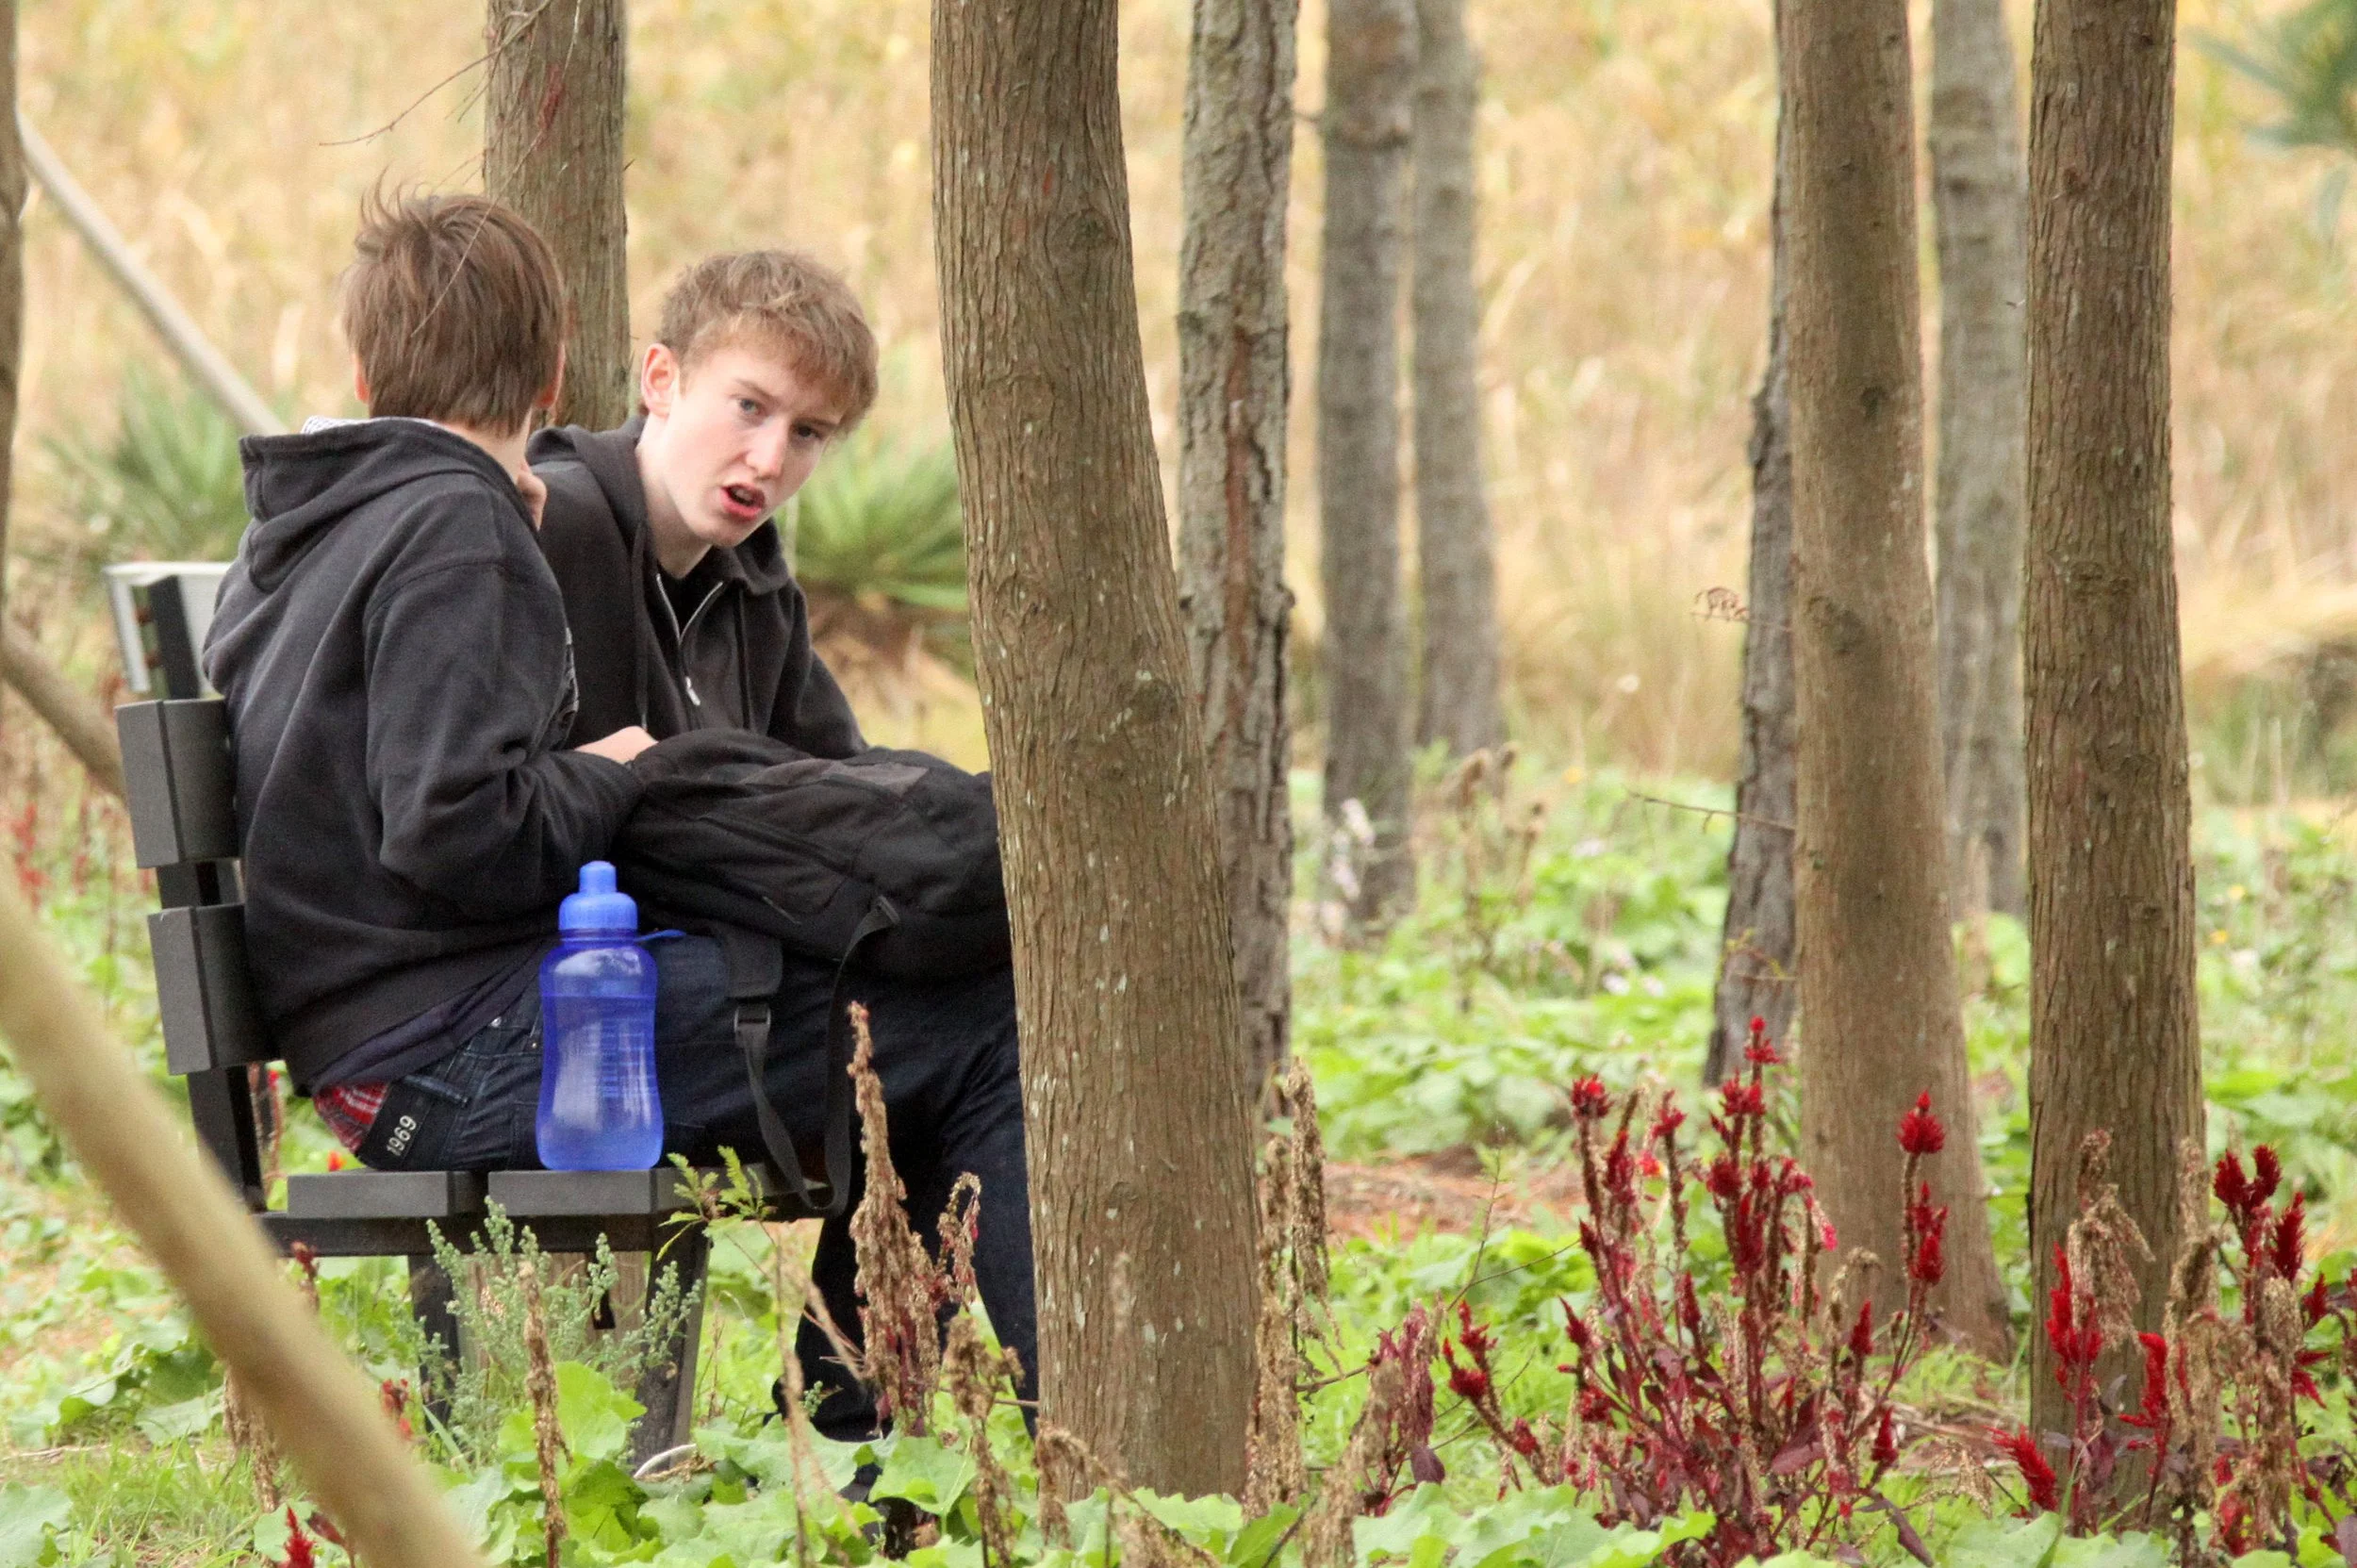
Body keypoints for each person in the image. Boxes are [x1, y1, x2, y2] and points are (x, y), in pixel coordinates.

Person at [529, 251, 1034, 1443]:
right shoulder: (557, 531)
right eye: (748, 408)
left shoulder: (753, 579)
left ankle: (850, 1428)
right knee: (974, 1034)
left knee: (953, 991)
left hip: (710, 984)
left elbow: (836, 793)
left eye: (809, 434)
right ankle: (873, 1431)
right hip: (560, 1012)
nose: (770, 459)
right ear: (661, 379)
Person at [205, 190, 656, 1168]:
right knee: (923, 1027)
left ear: (365, 373)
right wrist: (616, 768)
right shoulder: (455, 531)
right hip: (436, 1056)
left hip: (365, 1041)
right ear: (555, 372)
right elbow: (452, 828)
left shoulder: (305, 531)